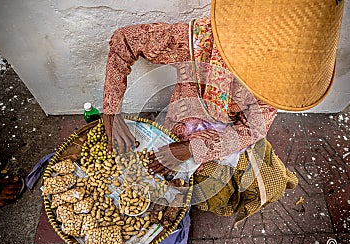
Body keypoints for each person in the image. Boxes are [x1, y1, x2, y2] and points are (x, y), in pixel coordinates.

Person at [102, 17, 298, 222]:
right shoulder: (196, 41)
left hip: (228, 136)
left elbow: (252, 130)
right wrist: (112, 113)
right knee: (204, 190)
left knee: (271, 185)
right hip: (184, 126)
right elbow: (123, 40)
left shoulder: (278, 79)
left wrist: (193, 148)